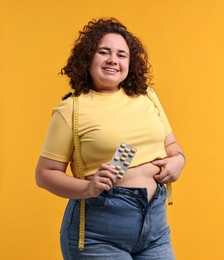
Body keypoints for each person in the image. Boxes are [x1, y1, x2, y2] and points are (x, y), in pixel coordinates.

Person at [35, 17, 185, 260]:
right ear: (87, 58)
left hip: (155, 227)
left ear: (130, 62)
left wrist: (179, 160)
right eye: (103, 52)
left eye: (121, 54)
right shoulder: (71, 110)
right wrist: (88, 188)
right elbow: (44, 174)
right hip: (99, 233)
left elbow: (171, 145)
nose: (113, 60)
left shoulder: (147, 96)